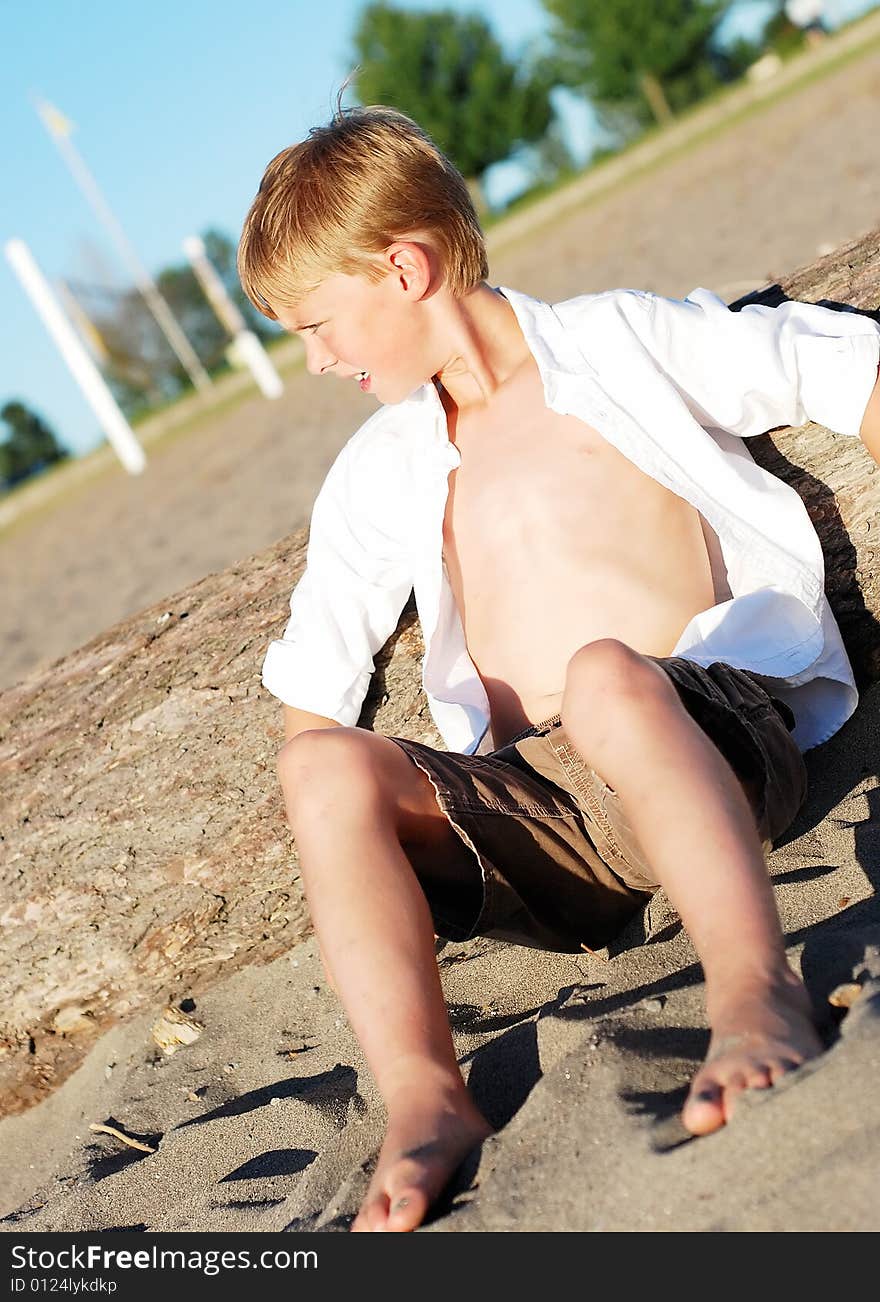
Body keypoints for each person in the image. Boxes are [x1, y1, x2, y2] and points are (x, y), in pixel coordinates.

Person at [238, 104, 880, 1233]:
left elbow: (840, 368)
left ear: (403, 267)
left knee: (603, 673)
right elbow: (315, 688)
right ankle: (428, 1096)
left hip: (702, 739)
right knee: (320, 772)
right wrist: (360, 821)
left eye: (318, 325)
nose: (318, 359)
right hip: (542, 824)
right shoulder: (378, 471)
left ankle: (751, 990)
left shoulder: (616, 342)